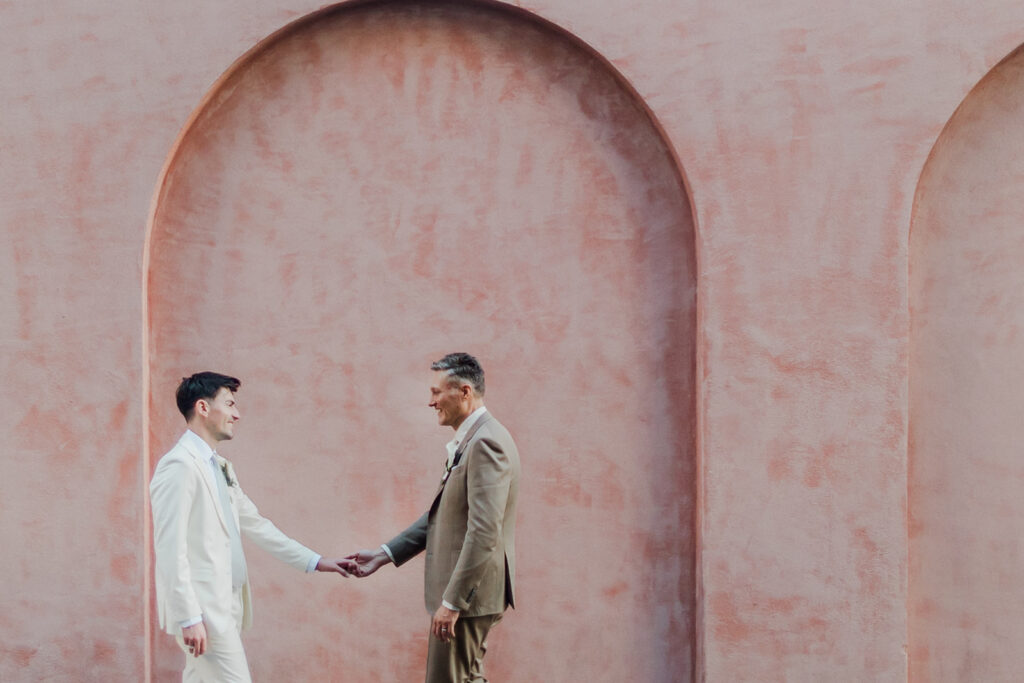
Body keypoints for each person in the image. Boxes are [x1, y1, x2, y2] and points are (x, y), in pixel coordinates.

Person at [150, 371, 353, 682]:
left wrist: (316, 561)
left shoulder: (220, 466)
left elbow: (258, 525)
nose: (237, 414)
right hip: (205, 610)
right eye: (230, 404)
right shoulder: (179, 465)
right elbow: (169, 549)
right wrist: (189, 617)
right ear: (203, 407)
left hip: (229, 603)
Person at [348, 353, 520, 683]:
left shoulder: (485, 443)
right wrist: (384, 555)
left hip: (468, 598)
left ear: (465, 392)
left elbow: (484, 532)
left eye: (437, 392)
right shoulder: (475, 438)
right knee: (468, 679)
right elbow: (442, 516)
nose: (431, 402)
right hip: (472, 597)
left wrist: (453, 602)